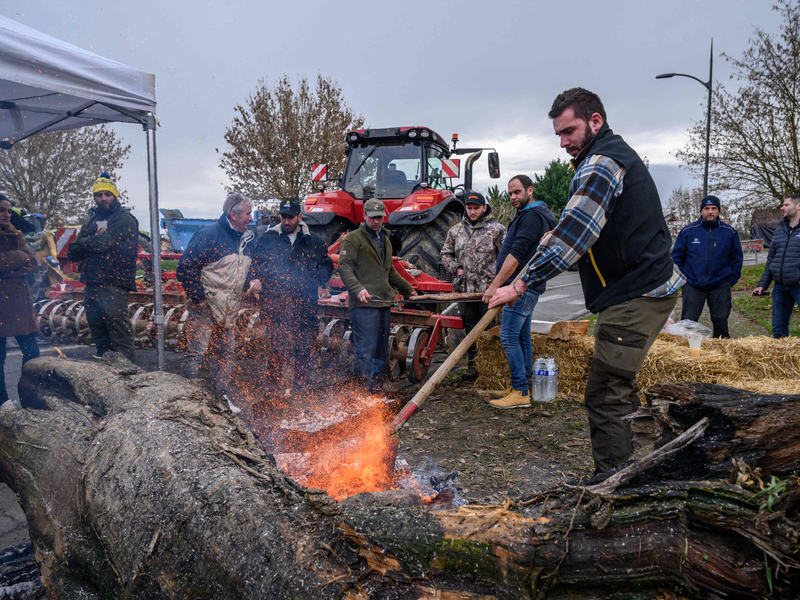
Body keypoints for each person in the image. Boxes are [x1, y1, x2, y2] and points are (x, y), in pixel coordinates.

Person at [489, 88, 685, 475]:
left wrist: (520, 284)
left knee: (606, 393)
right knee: (614, 388)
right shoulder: (602, 158)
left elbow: (575, 235)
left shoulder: (601, 162)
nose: (563, 142)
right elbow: (578, 225)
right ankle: (626, 466)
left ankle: (613, 483)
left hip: (636, 291)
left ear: (595, 120)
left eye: (569, 131)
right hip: (637, 287)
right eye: (558, 135)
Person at [176, 192, 259, 413]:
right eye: (248, 213)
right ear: (233, 214)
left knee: (225, 352)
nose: (251, 217)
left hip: (229, 309)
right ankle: (187, 400)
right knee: (196, 352)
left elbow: (248, 268)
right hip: (206, 307)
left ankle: (220, 394)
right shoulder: (209, 236)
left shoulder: (246, 239)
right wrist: (198, 298)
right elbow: (185, 267)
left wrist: (254, 279)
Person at [481, 176, 555, 407]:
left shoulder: (532, 217)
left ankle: (520, 391)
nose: (513, 197)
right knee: (522, 337)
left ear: (529, 191)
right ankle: (521, 385)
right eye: (510, 193)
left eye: (517, 192)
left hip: (519, 288)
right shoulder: (532, 215)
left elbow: (515, 256)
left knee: (509, 336)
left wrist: (494, 287)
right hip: (525, 287)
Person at [250, 198, 333, 392]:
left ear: (299, 217)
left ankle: (300, 389)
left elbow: (325, 264)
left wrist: (320, 282)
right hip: (276, 306)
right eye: (283, 217)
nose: (286, 221)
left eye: (290, 217)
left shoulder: (312, 241)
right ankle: (272, 389)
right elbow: (254, 263)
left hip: (304, 306)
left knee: (303, 350)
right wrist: (254, 279)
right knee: (276, 350)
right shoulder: (268, 238)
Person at [337, 199, 417, 393]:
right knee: (365, 350)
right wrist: (358, 289)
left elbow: (389, 271)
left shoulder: (385, 240)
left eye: (379, 217)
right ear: (364, 215)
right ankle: (362, 391)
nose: (376, 221)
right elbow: (344, 266)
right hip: (364, 306)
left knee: (381, 349)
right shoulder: (353, 239)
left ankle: (376, 391)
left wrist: (408, 289)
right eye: (372, 217)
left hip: (383, 303)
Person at [67, 173, 138, 362]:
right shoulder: (91, 221)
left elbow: (105, 242)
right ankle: (107, 377)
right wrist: (89, 244)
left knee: (119, 338)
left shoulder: (125, 219)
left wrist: (85, 243)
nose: (103, 199)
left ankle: (130, 378)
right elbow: (72, 253)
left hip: (114, 284)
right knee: (99, 335)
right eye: (99, 195)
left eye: (108, 194)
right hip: (92, 283)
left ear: (115, 195)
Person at [440, 190, 506, 380]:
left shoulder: (498, 230)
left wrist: (497, 280)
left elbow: (506, 257)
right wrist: (456, 268)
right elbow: (445, 254)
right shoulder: (456, 230)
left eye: (476, 208)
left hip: (489, 291)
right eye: (469, 208)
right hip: (465, 291)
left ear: (484, 208)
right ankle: (473, 367)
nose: (472, 212)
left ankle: (490, 369)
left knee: (489, 329)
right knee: (470, 327)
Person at [672, 195, 743, 338]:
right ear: (701, 211)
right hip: (692, 284)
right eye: (706, 208)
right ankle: (687, 354)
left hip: (719, 285)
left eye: (713, 208)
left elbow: (736, 258)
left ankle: (722, 354)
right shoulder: (688, 231)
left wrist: (729, 281)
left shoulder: (729, 232)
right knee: (688, 322)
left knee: (720, 320)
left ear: (718, 211)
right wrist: (682, 279)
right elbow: (676, 257)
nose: (710, 212)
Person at [0, 196, 40, 406]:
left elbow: (32, 261)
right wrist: (18, 259)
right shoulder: (16, 239)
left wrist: (9, 265)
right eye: (2, 210)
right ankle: (3, 402)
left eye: (8, 210)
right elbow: (23, 259)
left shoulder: (16, 233)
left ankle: (31, 397)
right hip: (1, 303)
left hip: (19, 303)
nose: (6, 214)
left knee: (32, 352)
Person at [753, 192, 800, 338]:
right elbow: (772, 259)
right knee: (778, 328)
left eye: (786, 205)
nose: (782, 207)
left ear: (798, 206)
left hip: (797, 285)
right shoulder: (779, 231)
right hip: (780, 287)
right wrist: (763, 284)